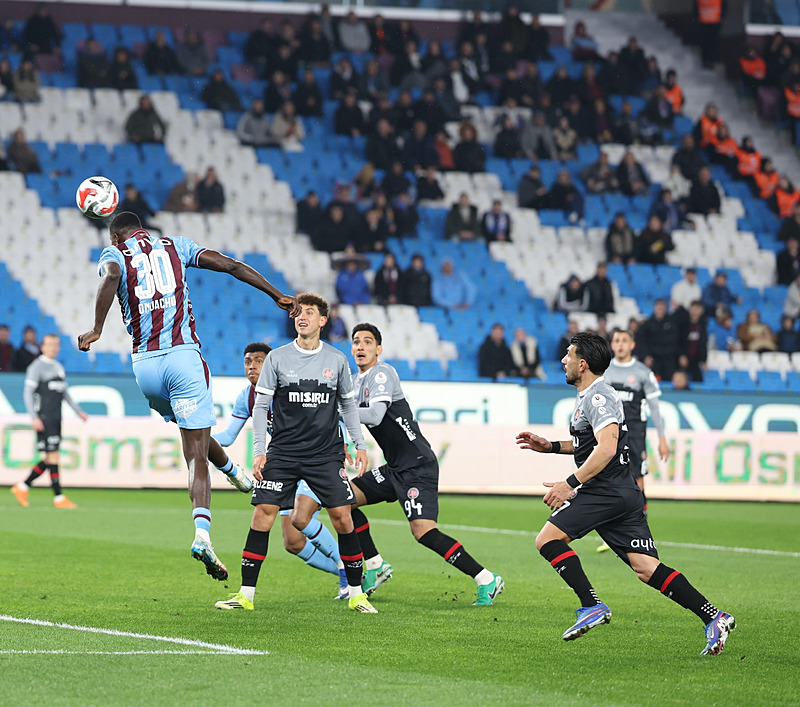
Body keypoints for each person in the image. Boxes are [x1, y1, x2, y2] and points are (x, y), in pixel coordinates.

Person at [77, 211, 299, 583]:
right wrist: (276, 294)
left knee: (189, 429)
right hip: (183, 358)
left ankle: (234, 472)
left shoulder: (113, 254)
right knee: (195, 453)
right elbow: (230, 265)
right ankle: (202, 535)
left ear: (117, 236)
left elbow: (112, 278)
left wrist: (97, 328)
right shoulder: (176, 246)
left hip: (145, 367)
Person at [516, 331, 735, 654]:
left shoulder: (598, 397)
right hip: (622, 493)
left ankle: (591, 605)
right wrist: (549, 447)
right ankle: (714, 617)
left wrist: (570, 484)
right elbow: (588, 445)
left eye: (568, 355)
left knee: (547, 540)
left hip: (604, 491)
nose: (563, 360)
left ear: (584, 363)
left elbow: (606, 448)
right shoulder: (590, 396)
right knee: (646, 568)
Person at [219, 294, 375, 613]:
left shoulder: (336, 360)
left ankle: (357, 593)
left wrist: (359, 443)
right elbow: (261, 406)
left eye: (309, 313)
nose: (301, 317)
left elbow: (347, 405)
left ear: (322, 320)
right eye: (298, 313)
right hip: (284, 453)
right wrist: (260, 451)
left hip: (325, 454)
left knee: (343, 518)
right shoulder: (276, 358)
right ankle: (245, 595)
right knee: (263, 514)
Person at [347, 324, 504, 605]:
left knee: (423, 531)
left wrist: (339, 409)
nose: (360, 347)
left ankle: (485, 578)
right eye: (356, 342)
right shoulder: (354, 381)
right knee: (342, 501)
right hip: (394, 467)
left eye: (367, 342)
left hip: (417, 465)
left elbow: (374, 414)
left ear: (378, 349)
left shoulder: (383, 373)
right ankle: (375, 565)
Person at [210, 342, 348, 601]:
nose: (252, 366)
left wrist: (349, 444)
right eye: (248, 361)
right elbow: (228, 436)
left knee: (302, 518)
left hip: (316, 457)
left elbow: (333, 412)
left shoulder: (289, 387)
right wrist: (199, 436)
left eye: (259, 361)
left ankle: (347, 571)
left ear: (271, 363)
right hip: (285, 463)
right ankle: (353, 575)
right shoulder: (247, 397)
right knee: (292, 542)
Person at [601, 328, 670, 531]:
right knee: (607, 479)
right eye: (616, 341)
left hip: (634, 434)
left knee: (637, 480)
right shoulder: (604, 371)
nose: (620, 344)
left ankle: (639, 528)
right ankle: (615, 529)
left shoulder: (642, 373)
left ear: (632, 345)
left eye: (624, 340)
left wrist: (662, 438)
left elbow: (655, 408)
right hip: (609, 434)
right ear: (612, 345)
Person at [11, 334, 88, 509]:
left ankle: (22, 487)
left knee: (49, 457)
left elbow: (64, 393)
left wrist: (78, 411)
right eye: (50, 344)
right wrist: (34, 417)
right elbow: (27, 393)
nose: (53, 347)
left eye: (56, 344)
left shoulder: (58, 367)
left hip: (56, 417)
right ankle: (58, 497)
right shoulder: (37, 367)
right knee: (52, 457)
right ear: (42, 347)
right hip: (44, 417)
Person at [638, 299, 681, 380]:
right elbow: (643, 342)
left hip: (669, 358)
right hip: (654, 358)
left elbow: (678, 340)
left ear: (666, 309)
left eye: (662, 308)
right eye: (659, 308)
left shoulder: (673, 322)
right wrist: (646, 356)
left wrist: (680, 307)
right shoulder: (647, 324)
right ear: (654, 308)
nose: (660, 310)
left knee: (670, 380)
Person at [679, 301, 708, 381]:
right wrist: (681, 355)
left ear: (701, 311)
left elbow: (703, 344)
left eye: (697, 309)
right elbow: (679, 342)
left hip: (696, 360)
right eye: (693, 308)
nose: (694, 311)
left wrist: (704, 360)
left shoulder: (702, 326)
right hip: (683, 358)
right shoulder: (683, 324)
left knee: (698, 379)